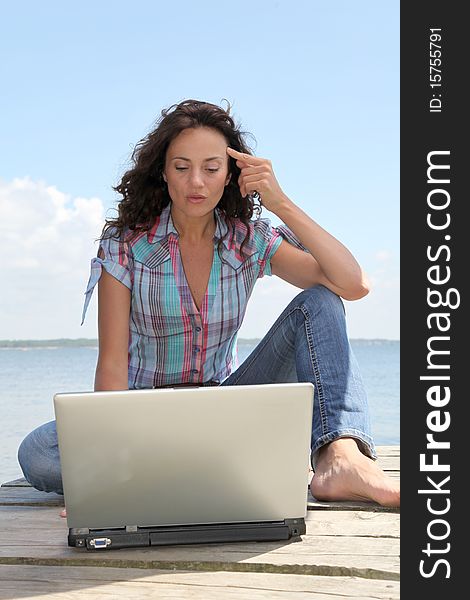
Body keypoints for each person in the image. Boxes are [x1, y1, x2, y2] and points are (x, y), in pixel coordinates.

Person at [18, 98, 400, 515]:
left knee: (321, 302)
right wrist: (103, 473)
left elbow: (353, 284)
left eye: (211, 168)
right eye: (181, 167)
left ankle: (340, 459)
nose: (196, 182)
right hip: (145, 422)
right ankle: (188, 468)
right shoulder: (125, 245)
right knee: (38, 453)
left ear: (231, 175)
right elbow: (111, 365)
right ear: (163, 172)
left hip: (224, 410)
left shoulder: (249, 240)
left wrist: (281, 203)